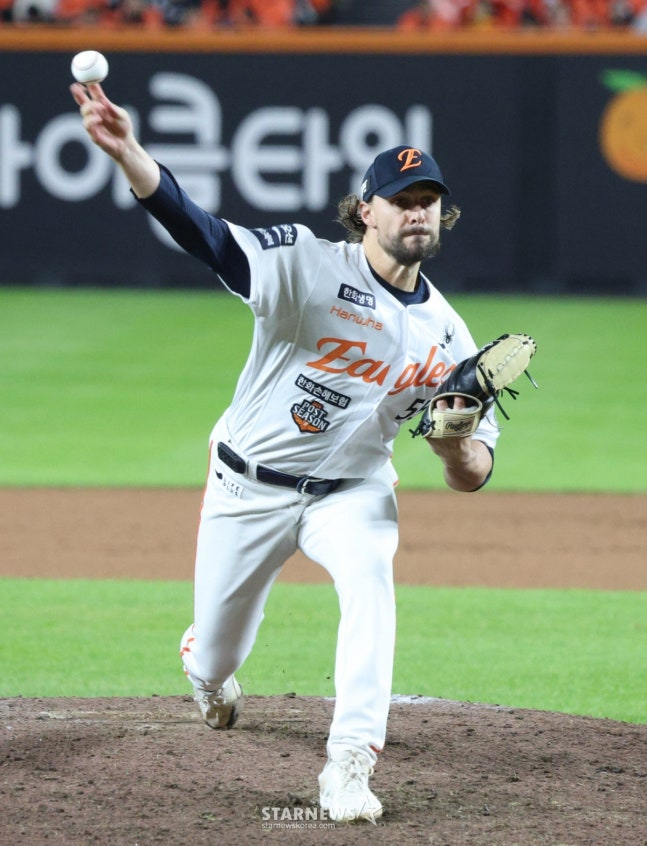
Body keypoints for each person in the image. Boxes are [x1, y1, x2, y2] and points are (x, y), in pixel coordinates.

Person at [71, 80, 499, 824]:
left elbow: (472, 475)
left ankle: (350, 765)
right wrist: (129, 154)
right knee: (214, 663)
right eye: (401, 198)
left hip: (352, 492)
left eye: (427, 198)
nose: (417, 210)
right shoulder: (306, 263)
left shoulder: (451, 339)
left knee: (371, 584)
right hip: (246, 486)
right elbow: (204, 233)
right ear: (366, 209)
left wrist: (453, 444)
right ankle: (206, 670)